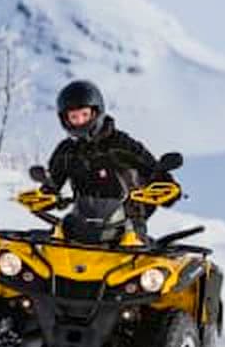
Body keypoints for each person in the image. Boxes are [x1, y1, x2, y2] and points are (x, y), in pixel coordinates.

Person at [46, 80, 173, 240]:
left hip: (127, 225)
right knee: (48, 246)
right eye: (74, 117)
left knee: (140, 259)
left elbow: (155, 172)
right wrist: (47, 196)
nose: (80, 121)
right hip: (83, 224)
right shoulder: (67, 151)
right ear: (65, 119)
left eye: (84, 114)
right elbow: (51, 185)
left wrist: (166, 188)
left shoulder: (121, 144)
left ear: (96, 112)